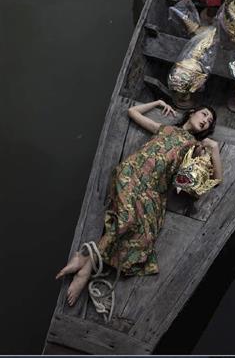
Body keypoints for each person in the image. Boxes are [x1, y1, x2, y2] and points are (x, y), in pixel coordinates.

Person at [56, 100, 222, 307]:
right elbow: (132, 111)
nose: (206, 120)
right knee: (129, 219)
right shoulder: (165, 128)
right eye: (204, 114)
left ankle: (86, 261)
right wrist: (159, 102)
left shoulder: (196, 148)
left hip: (152, 190)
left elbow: (216, 180)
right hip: (131, 174)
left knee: (137, 229)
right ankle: (86, 266)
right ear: (192, 112)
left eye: (209, 121)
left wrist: (214, 149)